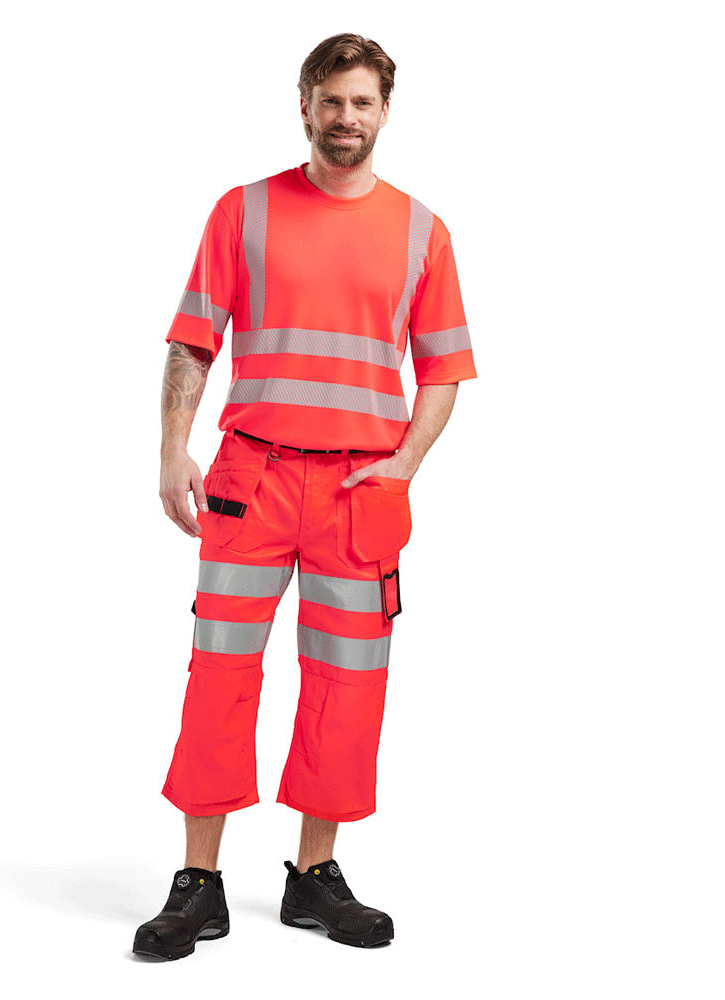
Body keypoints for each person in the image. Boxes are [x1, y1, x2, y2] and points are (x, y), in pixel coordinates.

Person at [133, 32, 477, 960]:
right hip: (251, 478)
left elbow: (444, 370)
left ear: (385, 111)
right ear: (304, 105)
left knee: (347, 684)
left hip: (360, 491)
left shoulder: (423, 231)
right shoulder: (242, 211)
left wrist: (403, 464)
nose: (346, 117)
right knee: (219, 674)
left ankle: (313, 876)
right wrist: (171, 449)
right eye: (332, 101)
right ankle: (197, 883)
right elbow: (193, 340)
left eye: (362, 102)